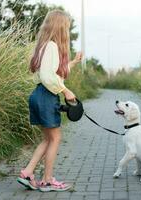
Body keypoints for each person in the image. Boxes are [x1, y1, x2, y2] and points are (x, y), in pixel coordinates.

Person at [17, 9, 82, 192]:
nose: (67, 30)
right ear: (60, 27)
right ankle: (47, 180)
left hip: (38, 95)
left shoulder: (44, 46)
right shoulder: (52, 46)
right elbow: (48, 76)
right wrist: (65, 90)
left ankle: (28, 172)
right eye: (67, 27)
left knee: (48, 139)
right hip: (46, 96)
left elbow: (54, 71)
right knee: (55, 138)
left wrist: (73, 63)